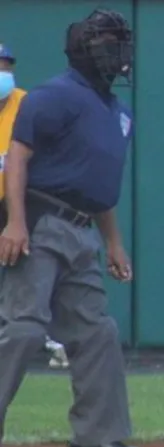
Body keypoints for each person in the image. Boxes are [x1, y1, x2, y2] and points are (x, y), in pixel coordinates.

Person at [0, 9, 147, 447]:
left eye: (121, 41)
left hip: (83, 232)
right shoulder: (53, 95)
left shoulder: (119, 113)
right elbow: (17, 161)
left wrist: (115, 243)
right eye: (107, 41)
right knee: (22, 328)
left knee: (96, 332)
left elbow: (99, 184)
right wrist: (15, 222)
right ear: (83, 48)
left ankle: (95, 441)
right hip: (41, 221)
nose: (118, 51)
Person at [0, 44, 70, 371]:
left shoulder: (26, 103)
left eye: (6, 66)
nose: (3, 73)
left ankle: (50, 339)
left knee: (33, 275)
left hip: (17, 205)